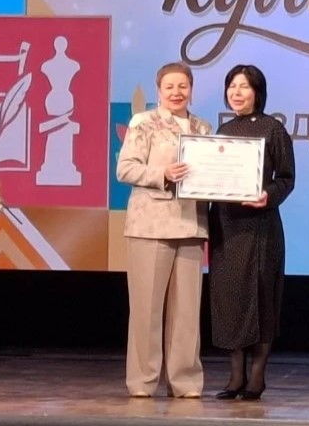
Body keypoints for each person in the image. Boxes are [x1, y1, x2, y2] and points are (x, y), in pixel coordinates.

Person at [116, 62, 212, 398]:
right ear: (158, 91)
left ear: (191, 90)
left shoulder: (203, 127)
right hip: (151, 225)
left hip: (191, 225)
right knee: (147, 310)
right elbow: (125, 169)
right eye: (169, 86)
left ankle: (185, 381)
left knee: (187, 313)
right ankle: (142, 381)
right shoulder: (144, 122)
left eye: (183, 86)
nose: (176, 92)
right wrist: (163, 174)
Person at [209, 65, 296, 401]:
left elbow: (286, 179)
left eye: (244, 86)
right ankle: (235, 377)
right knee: (229, 299)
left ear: (257, 92)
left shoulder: (273, 129)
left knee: (261, 298)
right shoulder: (222, 131)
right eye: (232, 86)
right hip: (226, 225)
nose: (237, 92)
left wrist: (267, 196)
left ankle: (257, 376)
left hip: (260, 228)